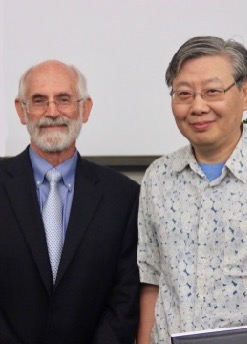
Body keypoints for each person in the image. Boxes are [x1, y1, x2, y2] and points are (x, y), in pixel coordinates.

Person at [137, 36, 247, 343]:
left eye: (212, 92)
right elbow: (151, 278)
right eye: (184, 94)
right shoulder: (158, 178)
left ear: (245, 92)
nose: (198, 107)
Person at [0, 59, 140, 344]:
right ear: (21, 110)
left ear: (84, 109)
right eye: (39, 101)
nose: (52, 112)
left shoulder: (122, 196)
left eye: (63, 99)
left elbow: (124, 297)